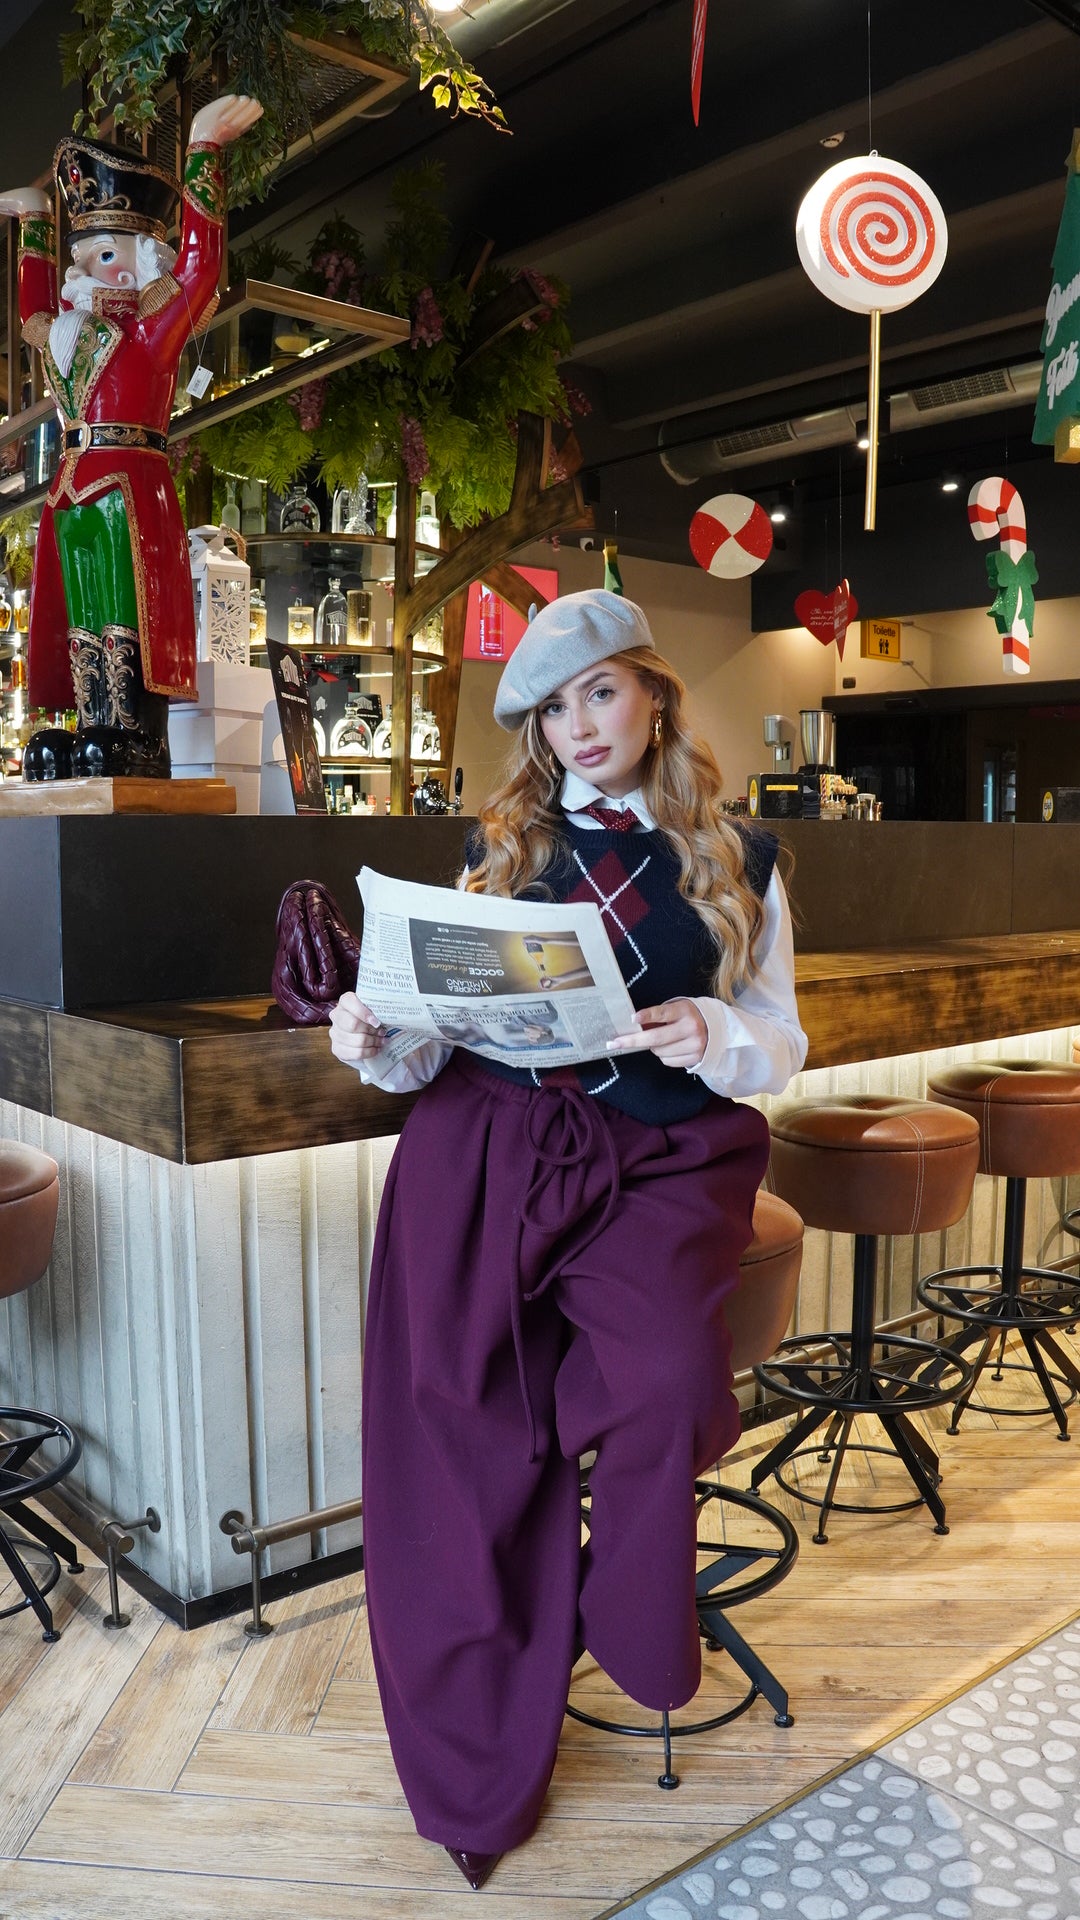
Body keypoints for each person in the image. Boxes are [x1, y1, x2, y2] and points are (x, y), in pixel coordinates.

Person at [329, 589, 807, 1890]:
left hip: (662, 1157)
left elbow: (782, 1038)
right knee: (463, 1438)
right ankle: (478, 1754)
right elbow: (432, 1038)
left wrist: (719, 1032)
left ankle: (625, 1610)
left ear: (653, 693)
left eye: (599, 691)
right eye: (552, 709)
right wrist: (377, 1034)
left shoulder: (742, 856)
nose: (580, 725)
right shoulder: (500, 856)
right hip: (486, 1145)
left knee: (664, 1380)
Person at [0, 92, 262, 779]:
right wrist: (34, 221)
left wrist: (204, 150)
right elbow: (33, 313)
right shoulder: (67, 333)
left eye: (105, 253)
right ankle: (92, 725)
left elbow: (202, 269)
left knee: (129, 610)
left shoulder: (151, 325)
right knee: (84, 613)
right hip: (75, 485)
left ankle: (136, 736)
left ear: (143, 259)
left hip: (130, 483)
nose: (87, 270)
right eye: (81, 256)